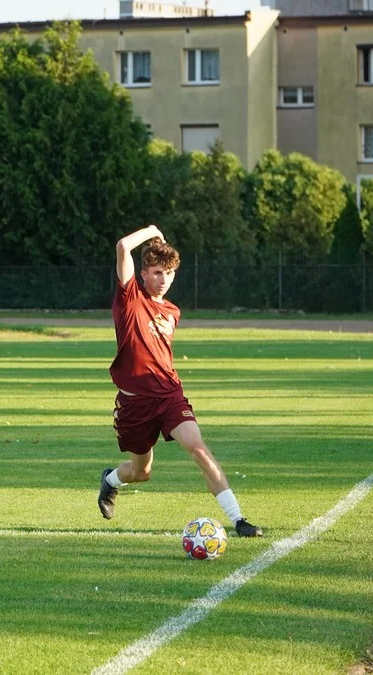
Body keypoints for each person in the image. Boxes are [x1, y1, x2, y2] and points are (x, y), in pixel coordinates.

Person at [97, 225, 262, 538]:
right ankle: (111, 480)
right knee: (141, 472)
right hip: (135, 404)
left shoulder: (172, 311)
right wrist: (150, 232)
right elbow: (122, 247)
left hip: (170, 395)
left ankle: (238, 519)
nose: (164, 280)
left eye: (169, 273)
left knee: (198, 449)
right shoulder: (129, 298)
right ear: (142, 273)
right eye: (157, 272)